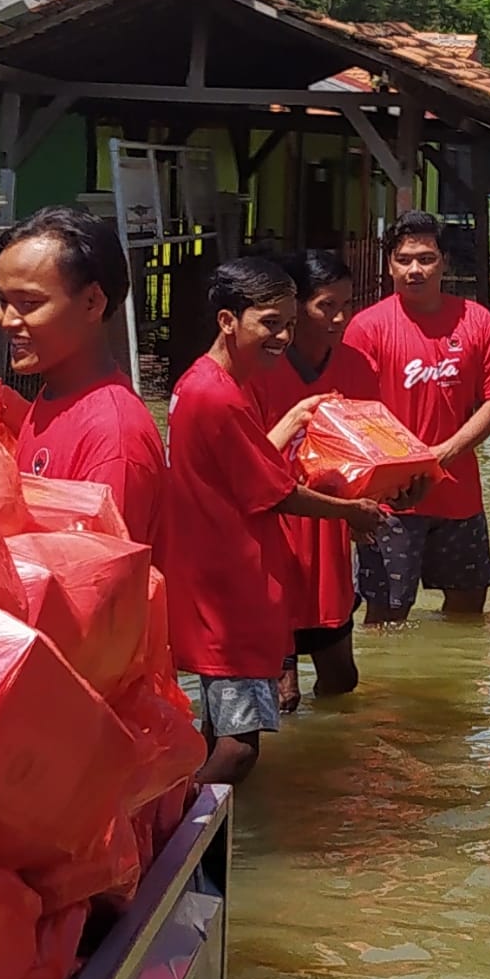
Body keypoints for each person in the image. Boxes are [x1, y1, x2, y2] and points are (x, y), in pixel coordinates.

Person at [162, 258, 385, 785]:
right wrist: (352, 511)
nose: (284, 335)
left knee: (216, 732)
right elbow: (279, 492)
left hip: (208, 585)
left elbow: (243, 467)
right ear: (227, 320)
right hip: (232, 594)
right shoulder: (219, 397)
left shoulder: (199, 382)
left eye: (288, 322)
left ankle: (213, 840)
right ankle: (174, 836)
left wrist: (291, 418)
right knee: (240, 749)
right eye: (269, 323)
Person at [343, 210, 490, 623]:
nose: (414, 269)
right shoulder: (366, 328)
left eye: (425, 258)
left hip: (460, 495)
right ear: (390, 266)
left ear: (445, 263)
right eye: (404, 259)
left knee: (470, 609)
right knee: (386, 617)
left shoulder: (476, 320)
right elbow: (351, 417)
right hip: (391, 501)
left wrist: (444, 453)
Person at [249, 251, 384, 713]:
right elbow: (245, 464)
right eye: (326, 305)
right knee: (281, 691)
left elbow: (371, 452)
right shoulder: (258, 371)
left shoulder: (359, 367)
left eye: (347, 304)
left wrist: (372, 501)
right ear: (296, 306)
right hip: (275, 539)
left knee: (341, 678)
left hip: (330, 537)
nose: (340, 317)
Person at [0, 206, 166, 544]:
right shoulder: (52, 397)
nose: (6, 320)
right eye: (2, 301)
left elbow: (104, 583)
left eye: (29, 303)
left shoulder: (113, 436)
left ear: (91, 302)